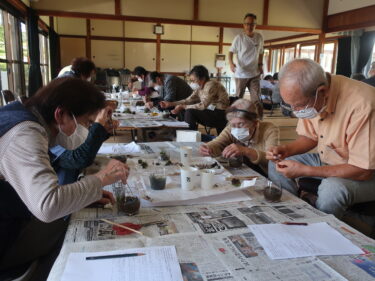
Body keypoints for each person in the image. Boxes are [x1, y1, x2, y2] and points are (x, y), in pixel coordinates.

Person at [0, 77, 129, 278]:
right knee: (69, 234)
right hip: (7, 237)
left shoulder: (26, 116)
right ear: (60, 114)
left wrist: (79, 198)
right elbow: (48, 205)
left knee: (72, 216)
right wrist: (101, 177)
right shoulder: (25, 133)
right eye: (86, 122)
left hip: (13, 213)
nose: (87, 129)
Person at [267, 58, 375, 219]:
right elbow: (310, 137)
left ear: (322, 91)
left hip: (366, 173)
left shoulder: (364, 104)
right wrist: (286, 150)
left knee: (332, 189)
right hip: (330, 159)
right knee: (276, 163)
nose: (295, 111)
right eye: (291, 106)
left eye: (299, 106)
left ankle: (321, 228)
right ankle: (292, 214)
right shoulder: (312, 97)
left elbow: (363, 171)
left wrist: (307, 170)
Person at [200, 99, 278, 175]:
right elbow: (218, 142)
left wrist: (246, 151)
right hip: (244, 171)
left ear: (255, 123)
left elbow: (272, 159)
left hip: (266, 174)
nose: (236, 129)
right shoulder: (231, 128)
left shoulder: (269, 129)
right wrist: (209, 147)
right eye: (233, 125)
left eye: (241, 124)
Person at [160, 65, 230, 134]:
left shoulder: (211, 85)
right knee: (186, 109)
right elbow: (187, 100)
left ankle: (189, 136)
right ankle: (185, 133)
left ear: (202, 78)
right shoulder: (199, 88)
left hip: (220, 114)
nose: (192, 83)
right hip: (211, 111)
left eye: (194, 80)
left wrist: (183, 107)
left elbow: (203, 105)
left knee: (190, 111)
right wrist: (170, 104)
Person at [228, 13, 264, 102]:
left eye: (252, 24)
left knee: (257, 100)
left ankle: (257, 116)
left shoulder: (259, 37)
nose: (249, 26)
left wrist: (260, 65)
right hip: (241, 73)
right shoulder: (239, 38)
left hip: (255, 73)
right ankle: (237, 115)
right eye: (247, 24)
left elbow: (261, 52)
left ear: (255, 25)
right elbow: (231, 51)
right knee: (238, 99)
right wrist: (231, 64)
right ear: (244, 25)